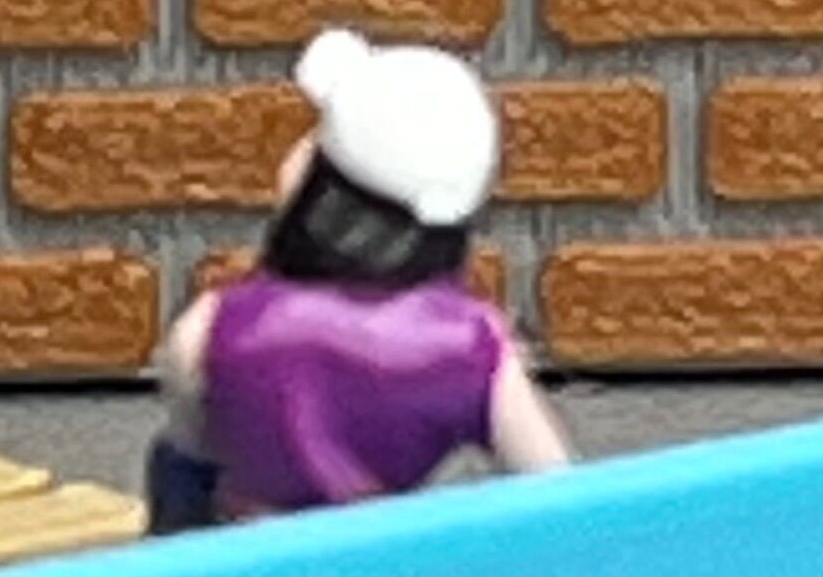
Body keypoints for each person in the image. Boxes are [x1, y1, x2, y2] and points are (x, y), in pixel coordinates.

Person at [146, 28, 570, 535]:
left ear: (322, 188)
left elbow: (188, 465)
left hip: (243, 559)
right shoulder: (473, 349)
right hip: (381, 561)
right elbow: (556, 495)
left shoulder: (209, 328)